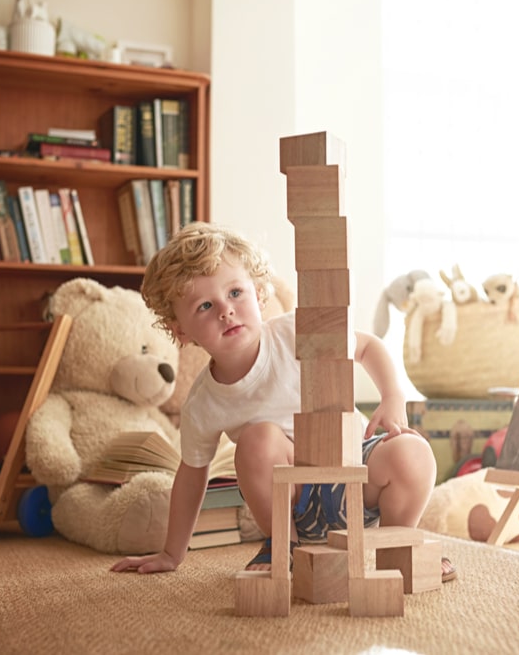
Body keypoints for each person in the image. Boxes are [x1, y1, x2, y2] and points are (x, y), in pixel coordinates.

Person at [111, 222, 455, 581]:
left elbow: (366, 346)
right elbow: (192, 475)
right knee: (258, 439)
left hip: (357, 473)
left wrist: (392, 396)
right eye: (205, 305)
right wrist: (171, 553)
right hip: (295, 505)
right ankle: (282, 546)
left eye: (235, 293)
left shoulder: (295, 331)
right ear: (181, 331)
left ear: (259, 294)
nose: (225, 312)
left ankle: (398, 545)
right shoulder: (204, 403)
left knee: (413, 451)